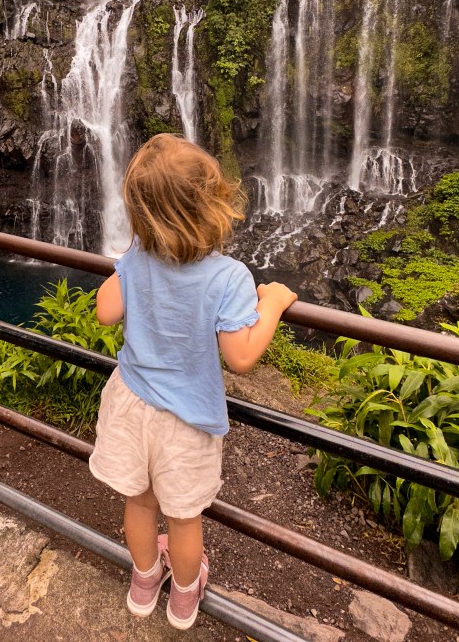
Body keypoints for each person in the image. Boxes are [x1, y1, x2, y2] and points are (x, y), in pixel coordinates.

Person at [89, 133, 297, 630]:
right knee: (183, 519)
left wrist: (131, 262)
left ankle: (144, 583)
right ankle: (184, 599)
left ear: (141, 214)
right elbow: (241, 357)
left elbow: (105, 311)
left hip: (131, 404)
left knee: (139, 504)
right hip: (185, 421)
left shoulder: (138, 259)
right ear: (211, 206)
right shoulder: (230, 277)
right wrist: (273, 303)